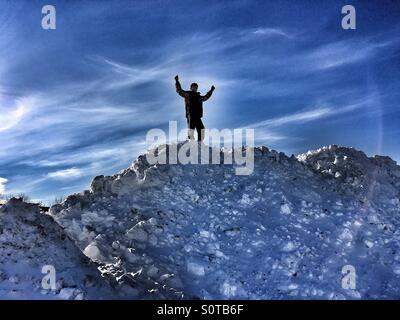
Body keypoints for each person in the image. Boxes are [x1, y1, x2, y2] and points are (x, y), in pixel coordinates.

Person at [175, 75, 215, 141]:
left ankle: (199, 143)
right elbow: (179, 90)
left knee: (202, 129)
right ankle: (191, 142)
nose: (195, 88)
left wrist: (211, 91)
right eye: (193, 87)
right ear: (191, 88)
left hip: (197, 116)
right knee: (191, 129)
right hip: (190, 114)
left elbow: (206, 97)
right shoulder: (188, 94)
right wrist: (177, 81)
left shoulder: (199, 97)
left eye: (196, 87)